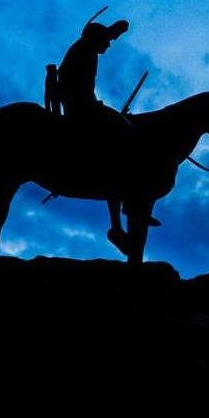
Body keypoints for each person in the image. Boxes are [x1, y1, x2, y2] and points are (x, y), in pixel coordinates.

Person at [55, 15, 137, 254]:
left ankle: (122, 201)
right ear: (95, 39)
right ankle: (119, 197)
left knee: (122, 126)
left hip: (84, 105)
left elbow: (104, 36)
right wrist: (95, 107)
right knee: (124, 129)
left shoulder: (85, 48)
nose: (109, 45)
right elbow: (74, 88)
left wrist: (117, 30)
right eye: (106, 41)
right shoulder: (83, 51)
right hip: (81, 108)